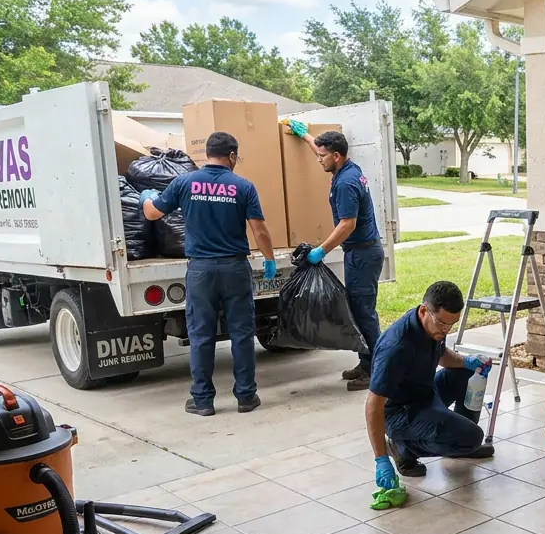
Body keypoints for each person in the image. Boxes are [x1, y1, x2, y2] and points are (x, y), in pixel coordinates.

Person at [142, 131, 277, 417]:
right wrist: (269, 259)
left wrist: (147, 197)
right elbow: (260, 229)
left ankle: (202, 401)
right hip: (235, 269)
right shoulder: (243, 186)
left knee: (201, 335)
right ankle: (246, 397)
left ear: (207, 154)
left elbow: (152, 214)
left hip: (201, 270)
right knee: (241, 333)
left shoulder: (184, 182)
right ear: (231, 156)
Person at [284, 121, 384, 391]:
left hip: (363, 254)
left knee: (364, 314)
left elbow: (347, 224)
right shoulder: (348, 167)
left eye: (321, 156)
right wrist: (305, 135)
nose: (318, 160)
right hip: (361, 252)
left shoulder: (346, 183)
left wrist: (320, 251)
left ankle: (376, 371)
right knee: (358, 310)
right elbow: (322, 147)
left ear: (336, 156)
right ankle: (366, 362)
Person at [365, 281, 495, 485]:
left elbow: (440, 354)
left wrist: (468, 361)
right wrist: (380, 459)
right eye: (442, 323)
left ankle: (460, 443)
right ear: (424, 310)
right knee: (473, 437)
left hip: (424, 392)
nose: (445, 330)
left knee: (467, 374)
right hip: (400, 413)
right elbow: (374, 404)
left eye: (451, 324)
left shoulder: (431, 326)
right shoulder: (395, 348)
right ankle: (403, 449)